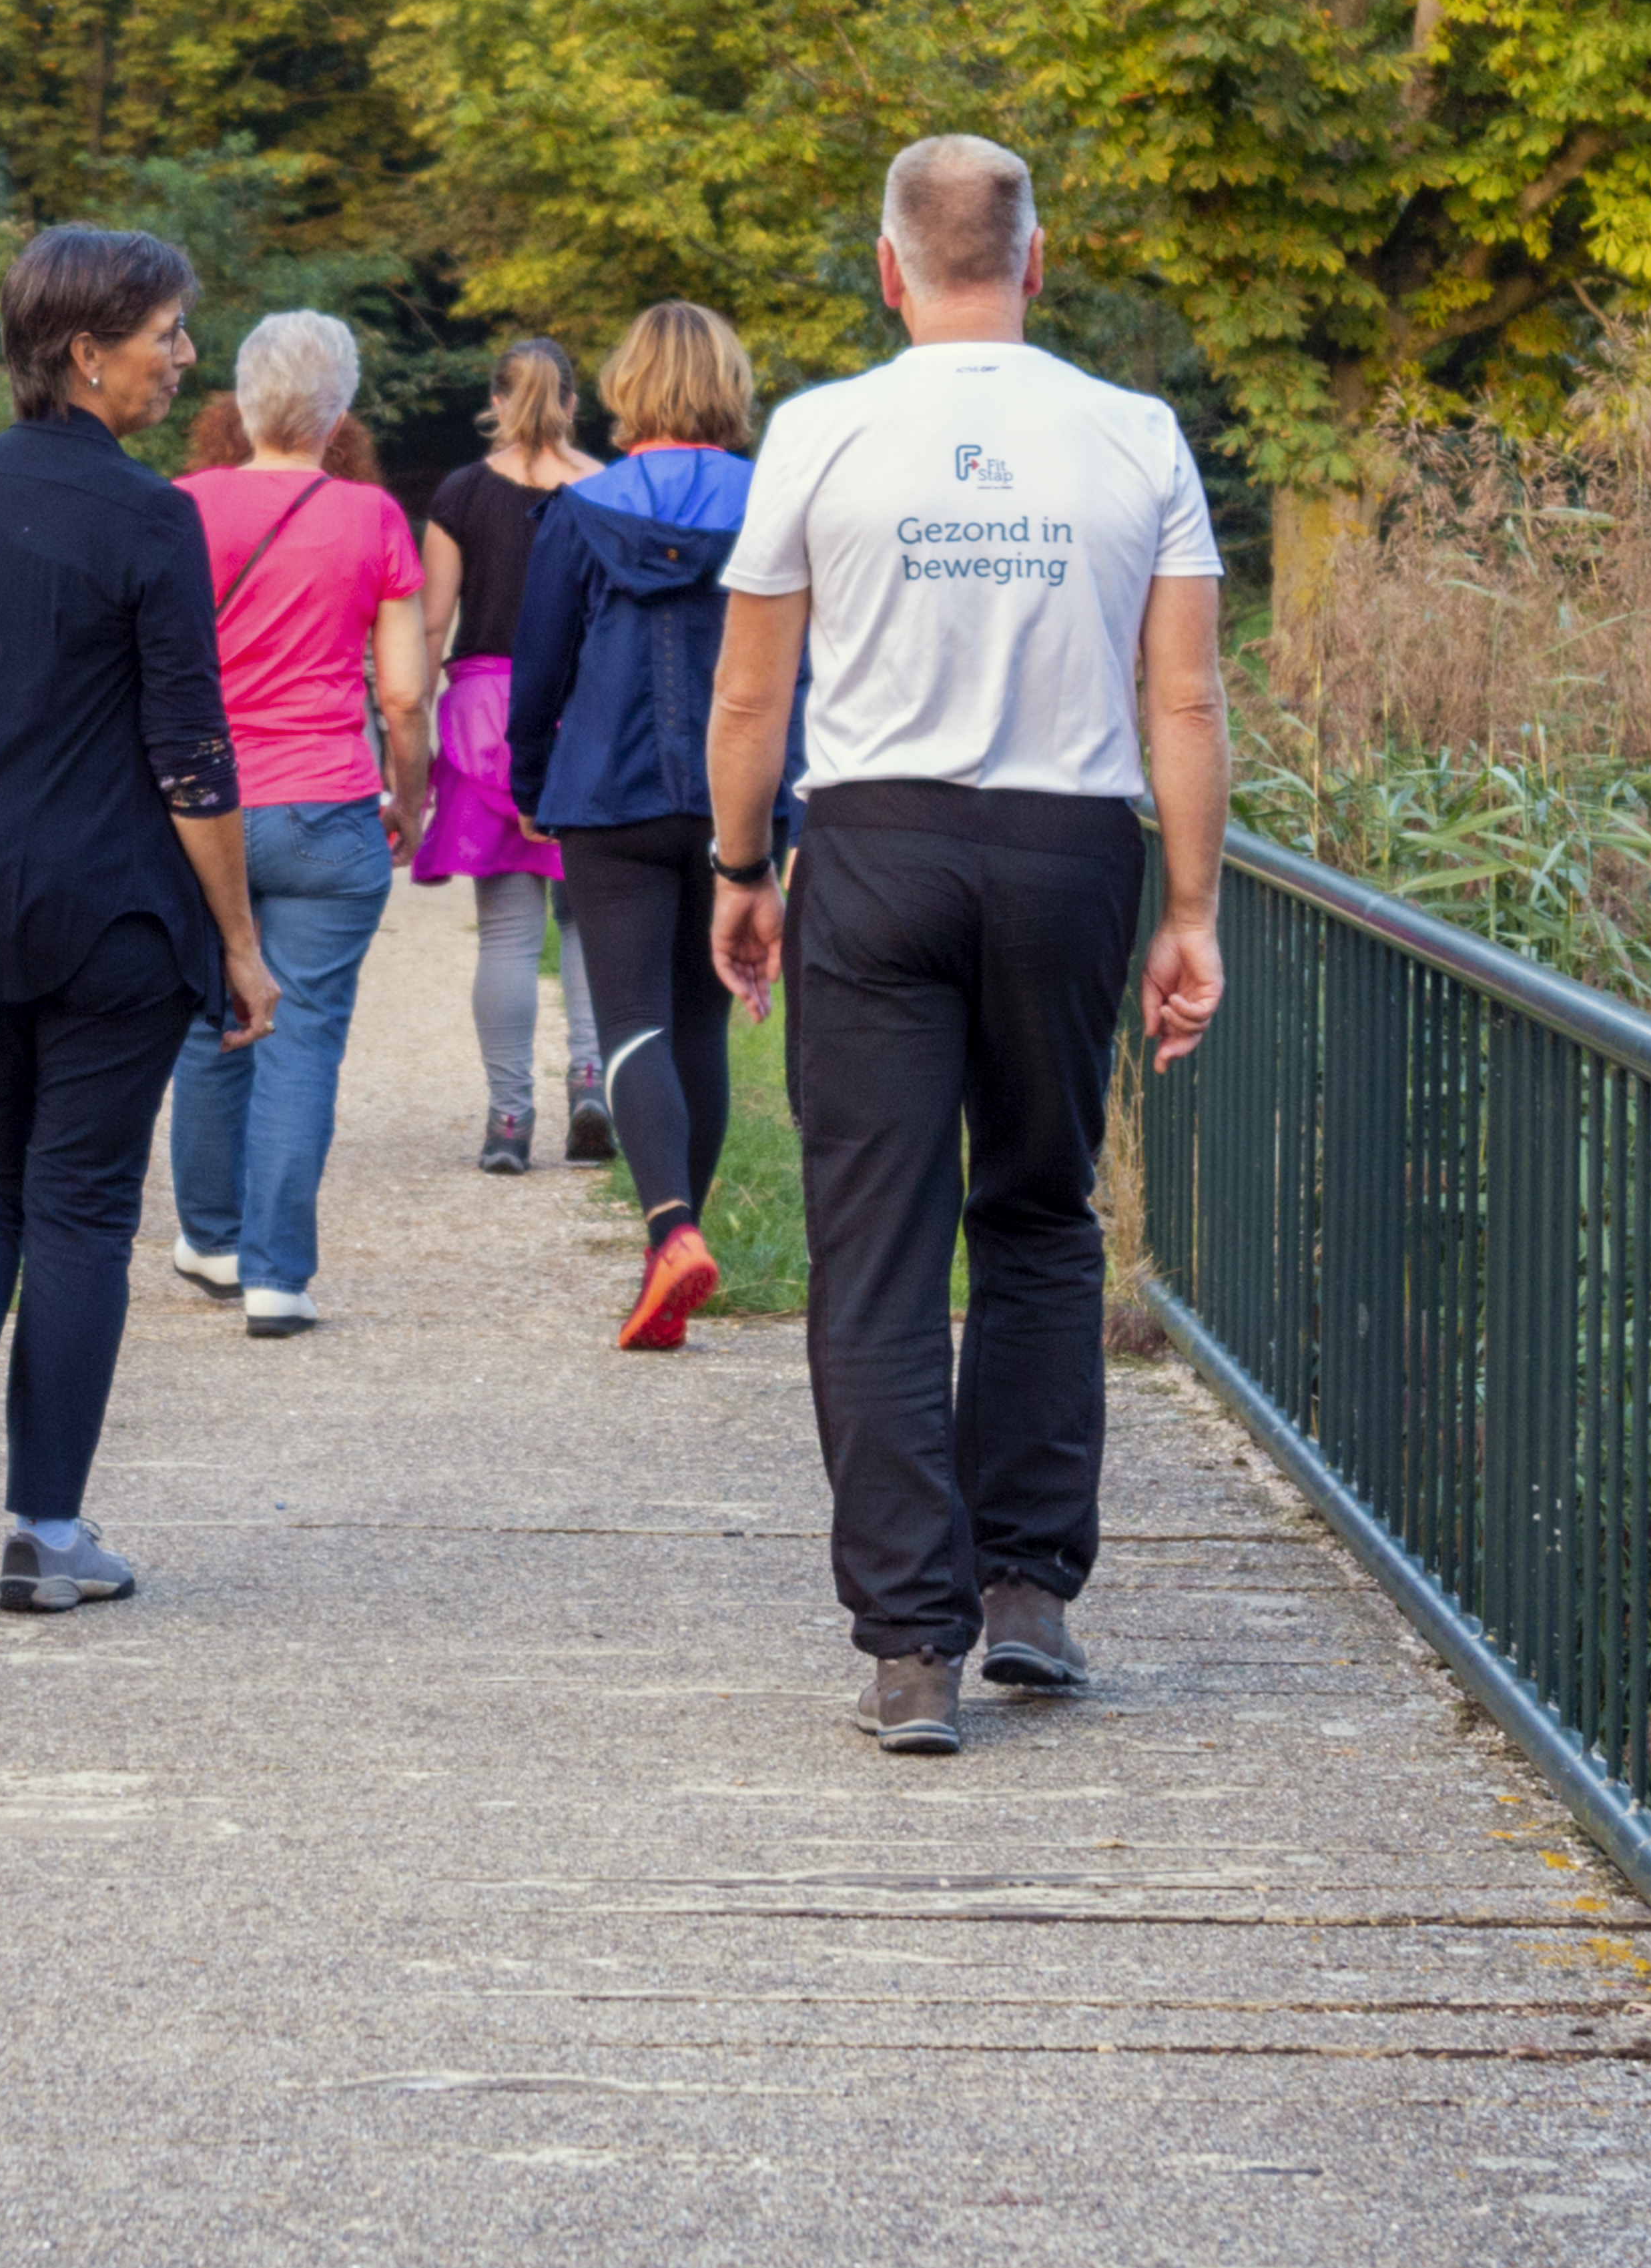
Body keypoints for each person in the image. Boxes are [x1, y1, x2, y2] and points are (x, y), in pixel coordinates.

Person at [711, 134, 1228, 1756]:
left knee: (874, 1240)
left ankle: (908, 1649)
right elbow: (1184, 698)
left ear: (887, 266)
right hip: (1067, 853)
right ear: (1034, 259)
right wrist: (1190, 908)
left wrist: (740, 866)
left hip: (873, 843)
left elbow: (748, 690)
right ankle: (1027, 1589)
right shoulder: (1135, 433)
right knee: (1038, 1213)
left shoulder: (820, 428)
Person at [0, 230, 280, 1614]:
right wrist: (237, 942)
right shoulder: (150, 516)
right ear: (86, 353)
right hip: (109, 914)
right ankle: (45, 1533)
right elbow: (190, 754)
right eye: (165, 334)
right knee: (81, 1210)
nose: (184, 357)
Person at [159, 312, 431, 1334]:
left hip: (203, 810)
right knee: (303, 1033)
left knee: (211, 1016)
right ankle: (276, 1274)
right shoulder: (372, 516)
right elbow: (401, 696)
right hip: (325, 804)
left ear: (239, 400)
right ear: (338, 410)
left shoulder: (181, 506)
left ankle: (211, 1237)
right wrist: (406, 797)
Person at [510, 302, 769, 1354]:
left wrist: (530, 778)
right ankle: (672, 1246)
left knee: (629, 1021)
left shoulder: (580, 511)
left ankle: (669, 1233)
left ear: (627, 386)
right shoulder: (772, 502)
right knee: (700, 1026)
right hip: (735, 798)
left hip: (608, 791)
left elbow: (538, 664)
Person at [414, 338, 606, 1177]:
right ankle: (593, 1079)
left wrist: (414, 738)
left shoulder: (460, 493)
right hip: (585, 714)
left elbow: (431, 623)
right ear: (572, 402)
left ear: (495, 400)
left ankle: (508, 1117)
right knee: (588, 916)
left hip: (489, 717)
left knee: (506, 930)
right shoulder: (605, 488)